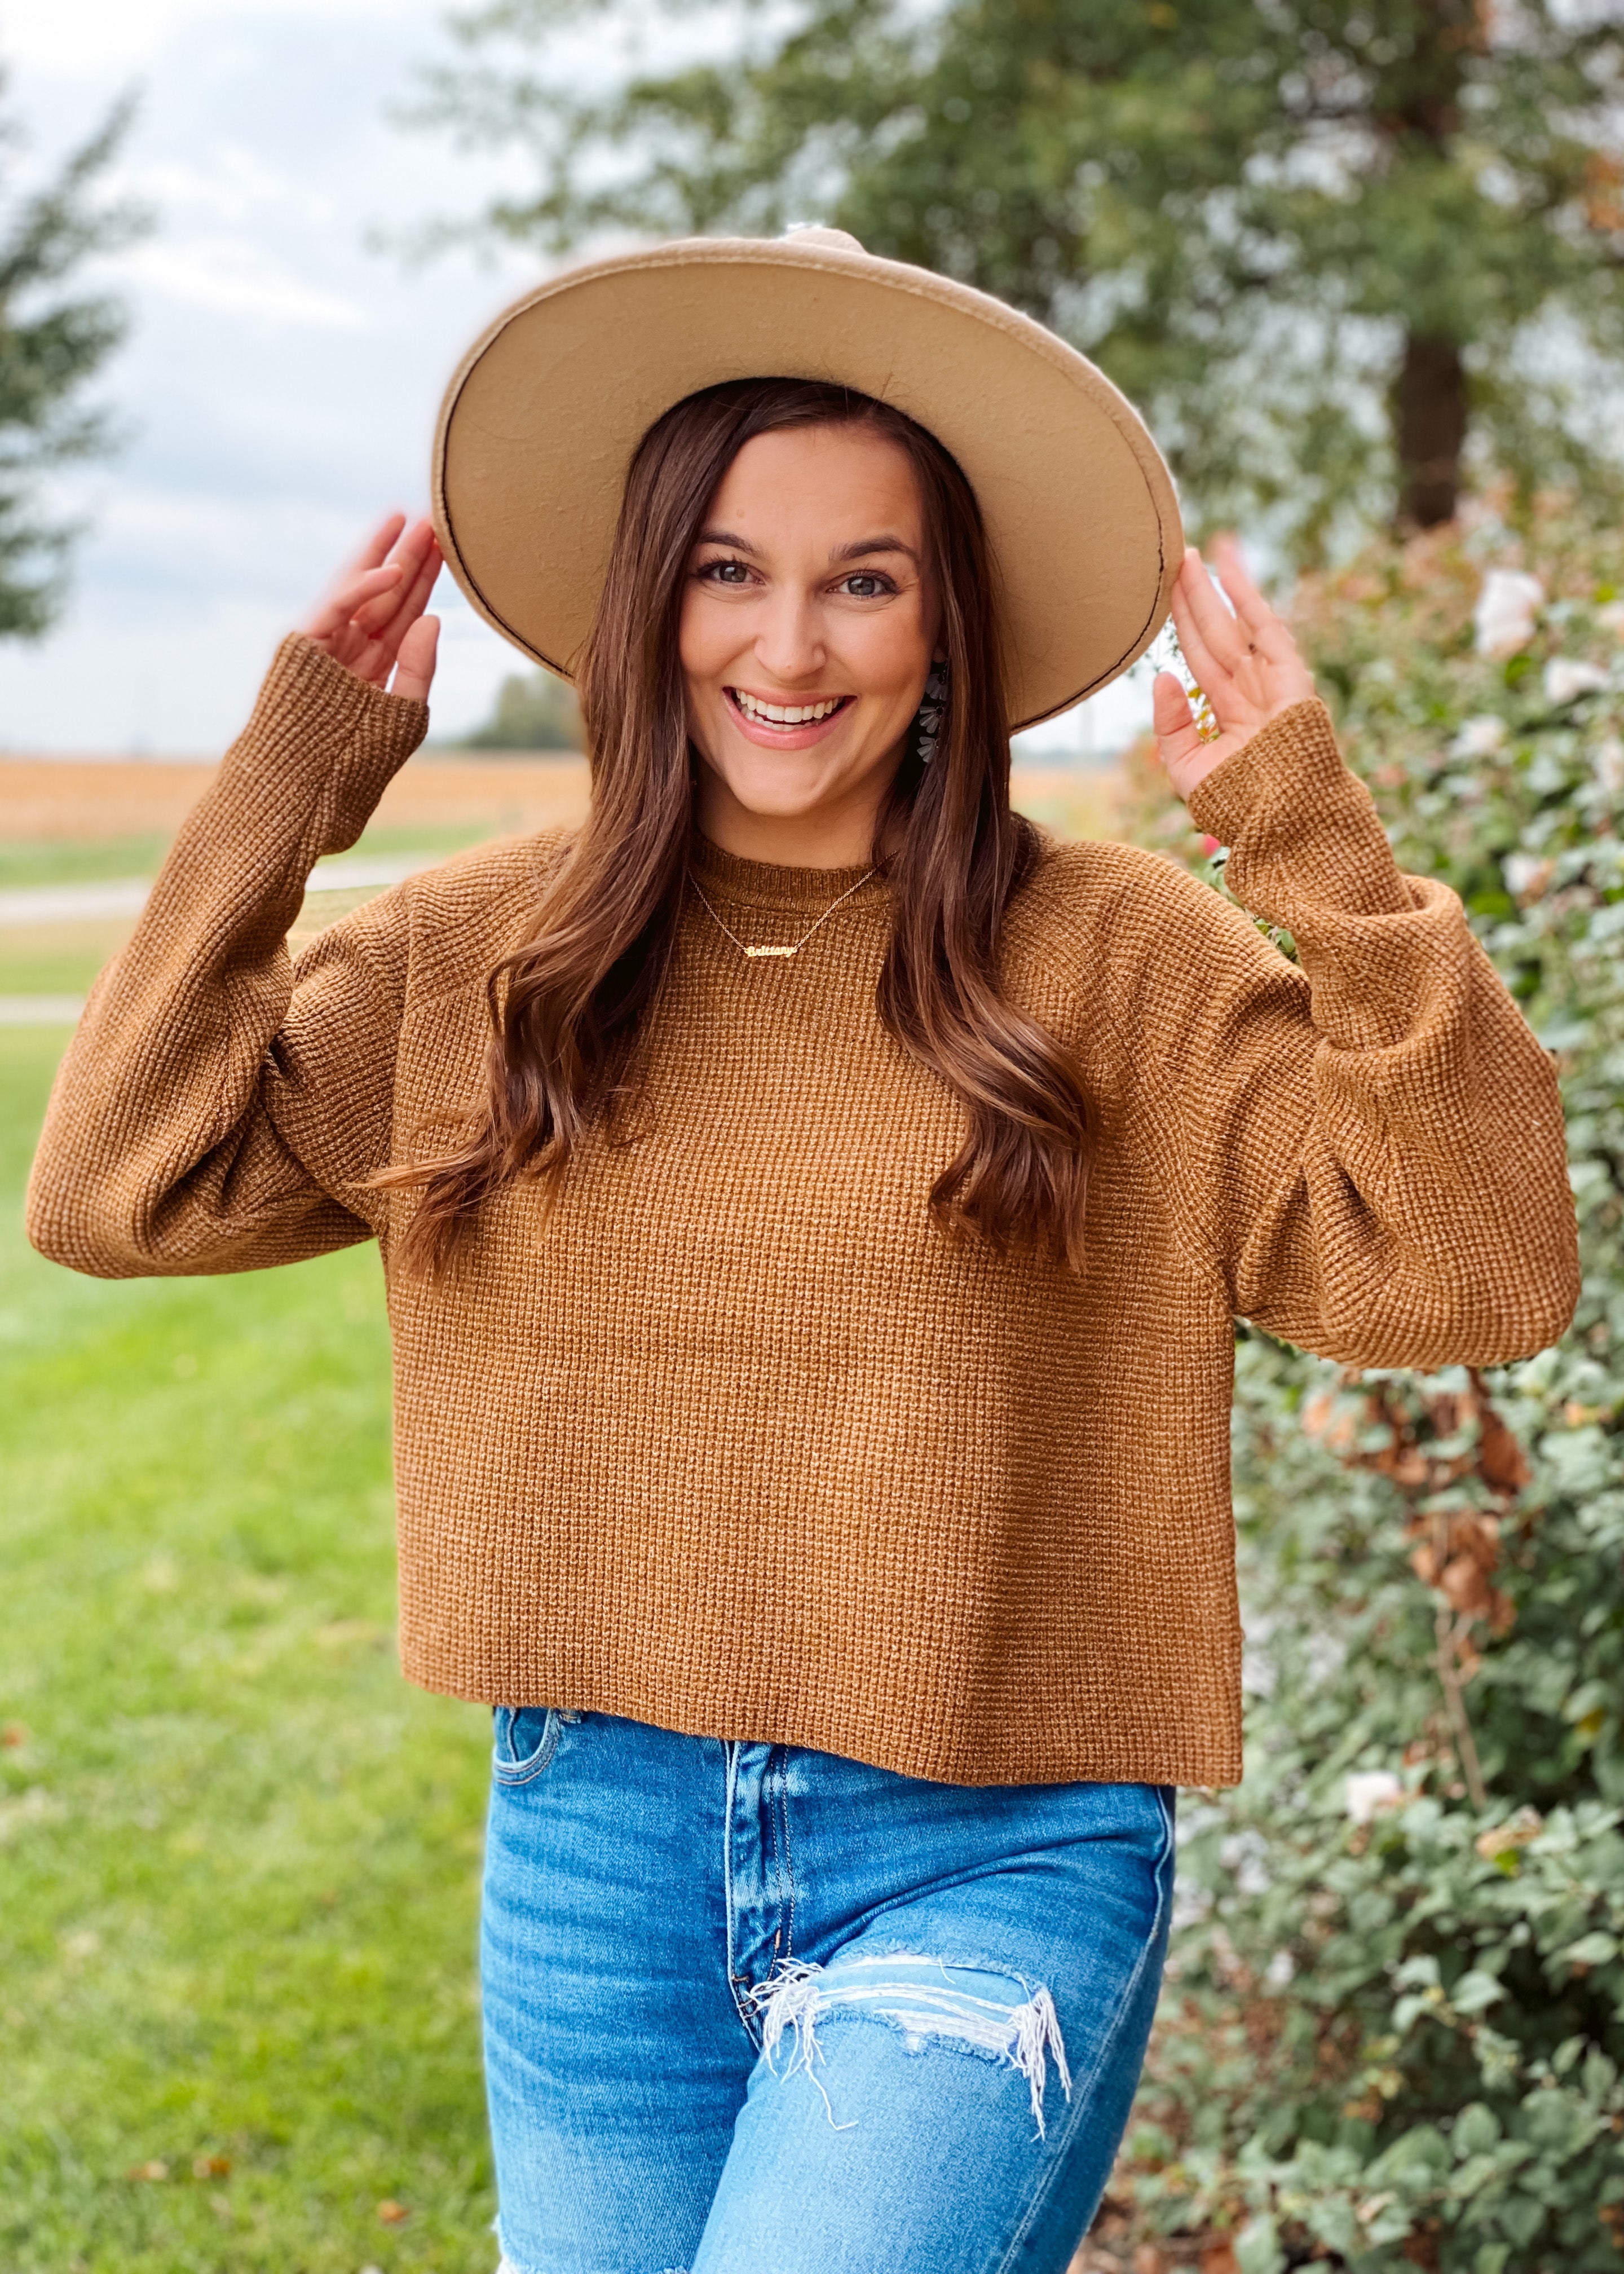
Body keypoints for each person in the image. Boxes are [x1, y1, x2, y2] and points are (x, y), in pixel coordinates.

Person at [27, 231, 1578, 2274]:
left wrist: (1314, 844)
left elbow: (1482, 1269)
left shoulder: (1114, 960)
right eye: (730, 570)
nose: (793, 643)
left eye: (868, 577)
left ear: (949, 623)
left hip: (992, 1846)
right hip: (594, 1856)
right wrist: (290, 776)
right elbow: (113, 1183)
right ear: (649, 596)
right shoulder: (486, 956)